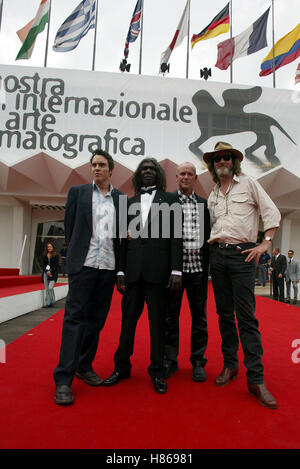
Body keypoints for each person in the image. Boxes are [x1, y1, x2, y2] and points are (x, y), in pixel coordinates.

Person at [203, 141, 281, 410]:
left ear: (233, 161)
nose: (221, 161)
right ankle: (230, 365)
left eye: (226, 157)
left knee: (246, 317)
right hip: (218, 257)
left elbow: (272, 213)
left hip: (242, 255)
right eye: (217, 159)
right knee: (224, 315)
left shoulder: (249, 184)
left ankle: (256, 379)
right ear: (212, 165)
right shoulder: (213, 194)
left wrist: (264, 244)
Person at [103, 158, 182, 394]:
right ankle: (121, 367)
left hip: (159, 274)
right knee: (127, 323)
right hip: (133, 274)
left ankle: (157, 371)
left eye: (152, 169)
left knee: (157, 326)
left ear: (158, 174)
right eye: (144, 169)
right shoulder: (129, 203)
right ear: (139, 175)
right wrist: (120, 270)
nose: (148, 172)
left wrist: (176, 270)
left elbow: (176, 237)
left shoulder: (171, 200)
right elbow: (122, 241)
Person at [53, 149, 124, 406]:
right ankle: (63, 379)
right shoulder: (78, 193)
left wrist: (120, 270)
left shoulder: (121, 199)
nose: (96, 168)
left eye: (102, 165)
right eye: (93, 164)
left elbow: (120, 239)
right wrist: (73, 260)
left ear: (111, 169)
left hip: (107, 268)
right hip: (83, 266)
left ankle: (84, 365)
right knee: (74, 320)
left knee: (96, 321)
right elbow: (70, 229)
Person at [163, 162, 210, 382]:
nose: (186, 177)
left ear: (195, 178)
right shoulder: (167, 202)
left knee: (199, 318)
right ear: (176, 177)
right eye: (182, 173)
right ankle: (170, 361)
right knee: (170, 318)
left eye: (190, 174)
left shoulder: (204, 205)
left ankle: (198, 362)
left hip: (198, 271)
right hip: (175, 272)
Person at [42, 242, 59, 307]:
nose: (49, 248)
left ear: (53, 248)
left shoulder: (56, 255)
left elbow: (56, 265)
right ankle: (48, 303)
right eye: (48, 247)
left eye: (50, 247)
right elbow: (43, 265)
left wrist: (50, 271)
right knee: (47, 289)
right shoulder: (44, 255)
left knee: (50, 288)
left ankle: (52, 300)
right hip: (46, 274)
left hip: (53, 274)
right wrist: (47, 271)